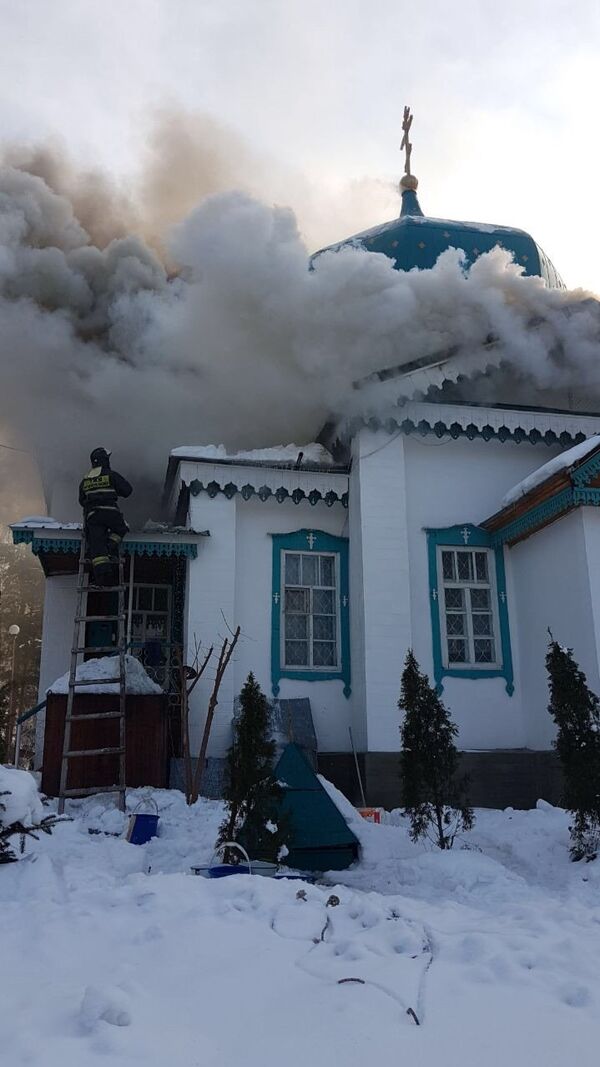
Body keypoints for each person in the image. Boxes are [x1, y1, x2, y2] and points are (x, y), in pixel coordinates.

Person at [79, 448, 133, 586]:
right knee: (121, 529)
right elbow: (127, 490)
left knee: (97, 547)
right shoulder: (111, 475)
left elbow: (81, 500)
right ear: (105, 460)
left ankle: (102, 578)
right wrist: (112, 490)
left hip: (93, 517)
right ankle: (110, 546)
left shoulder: (85, 480)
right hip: (111, 513)